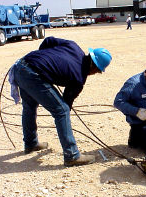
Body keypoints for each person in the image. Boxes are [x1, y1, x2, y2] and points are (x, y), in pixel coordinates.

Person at [8, 36, 112, 166]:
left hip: (21, 66)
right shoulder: (79, 78)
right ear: (95, 68)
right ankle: (72, 155)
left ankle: (31, 143)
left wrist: (43, 59)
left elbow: (48, 41)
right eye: (97, 72)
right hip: (32, 74)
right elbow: (64, 106)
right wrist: (44, 67)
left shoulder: (73, 46)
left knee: (30, 106)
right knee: (62, 110)